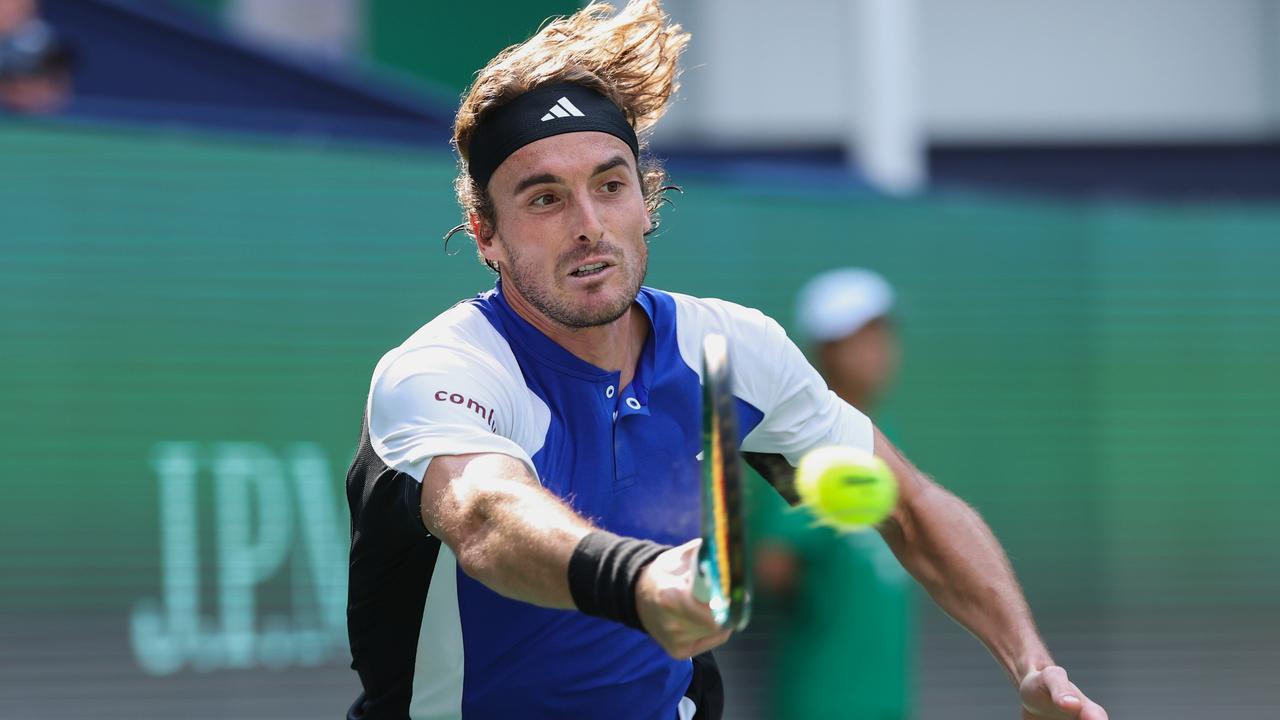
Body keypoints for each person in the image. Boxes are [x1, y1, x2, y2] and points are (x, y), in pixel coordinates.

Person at [344, 2, 1109, 719]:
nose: (587, 226)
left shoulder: (728, 352)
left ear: (646, 201)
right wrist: (638, 582)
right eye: (544, 199)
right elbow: (484, 517)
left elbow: (904, 506)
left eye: (609, 186)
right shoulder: (440, 368)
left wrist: (1030, 664)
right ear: (485, 234)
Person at [753, 268, 912, 720]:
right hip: (822, 703)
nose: (878, 351)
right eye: (860, 337)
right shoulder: (782, 445)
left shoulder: (886, 435)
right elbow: (774, 566)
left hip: (889, 701)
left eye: (883, 334)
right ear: (826, 350)